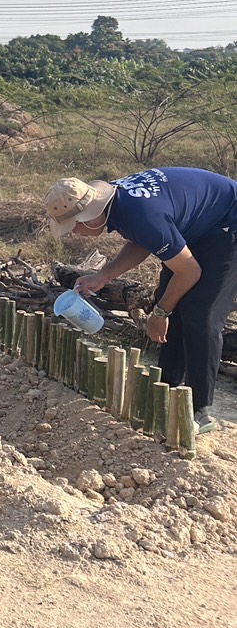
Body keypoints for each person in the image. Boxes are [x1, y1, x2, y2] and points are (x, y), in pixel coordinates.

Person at [49, 168, 237, 435]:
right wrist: (103, 276)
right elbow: (144, 241)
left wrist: (160, 313)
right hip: (200, 225)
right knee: (173, 301)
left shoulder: (142, 213)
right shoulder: (116, 203)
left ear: (89, 217)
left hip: (229, 223)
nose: (74, 234)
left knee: (200, 314)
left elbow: (189, 271)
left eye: (73, 227)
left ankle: (199, 411)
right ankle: (168, 389)